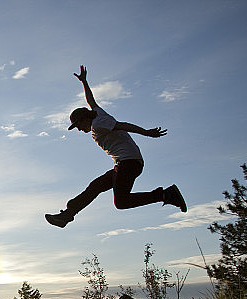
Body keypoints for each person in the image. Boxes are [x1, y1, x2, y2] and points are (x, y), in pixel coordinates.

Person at [45, 65, 187, 228]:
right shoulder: (99, 114)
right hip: (125, 163)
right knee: (95, 187)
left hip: (129, 163)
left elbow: (123, 125)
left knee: (121, 202)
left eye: (78, 125)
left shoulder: (98, 123)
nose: (78, 129)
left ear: (84, 118)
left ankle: (165, 194)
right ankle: (67, 216)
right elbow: (91, 101)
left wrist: (146, 132)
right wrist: (84, 82)